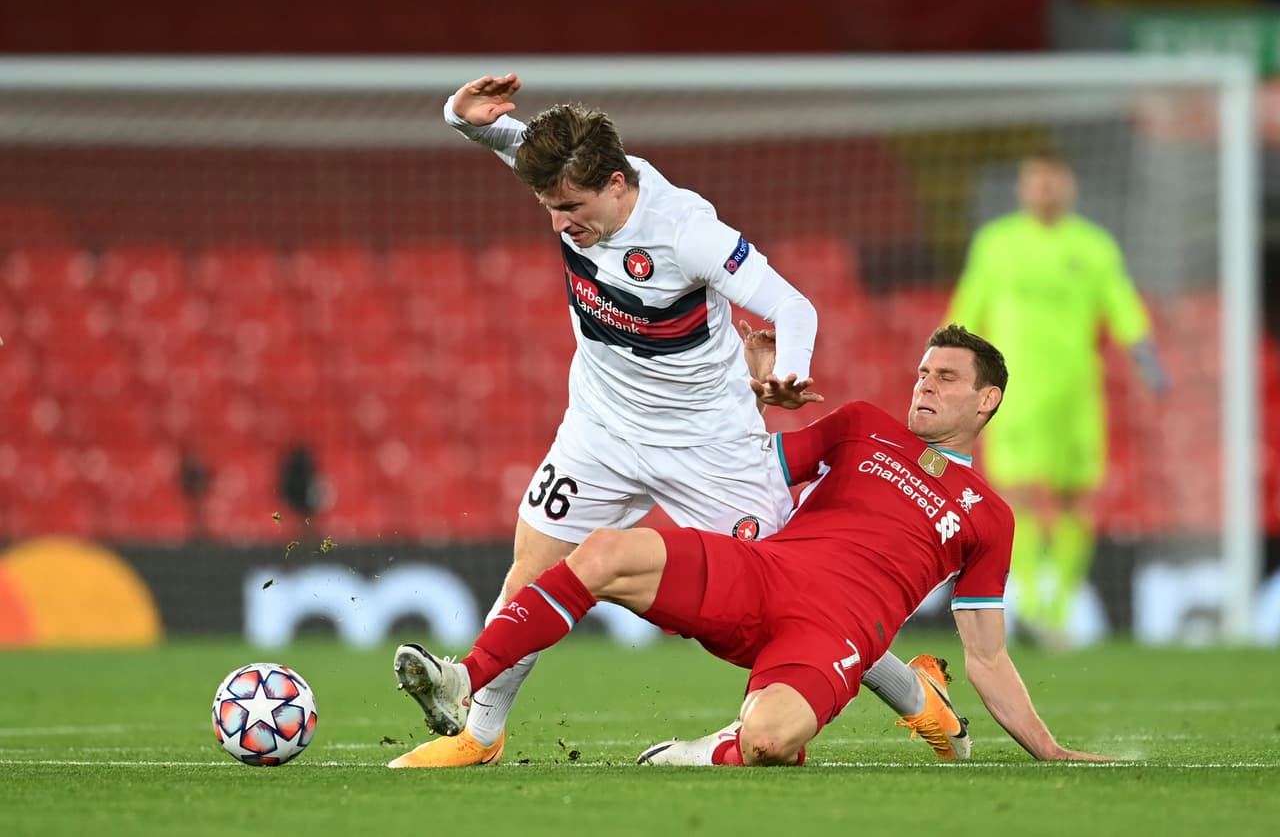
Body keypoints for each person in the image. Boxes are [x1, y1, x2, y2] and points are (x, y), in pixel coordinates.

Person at [390, 73, 965, 767]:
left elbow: (794, 308)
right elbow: (502, 138)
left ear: (616, 184)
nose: (559, 224)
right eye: (547, 207)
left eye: (570, 207)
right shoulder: (571, 187)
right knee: (530, 576)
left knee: (806, 604)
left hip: (709, 444)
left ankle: (918, 696)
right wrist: (460, 115)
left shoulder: (687, 231)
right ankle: (478, 735)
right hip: (600, 427)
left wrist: (790, 372)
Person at [392, 324, 1107, 765]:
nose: (924, 384)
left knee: (770, 740)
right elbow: (746, 463)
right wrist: (751, 389)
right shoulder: (860, 425)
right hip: (764, 572)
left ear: (986, 402)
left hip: (836, 631)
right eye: (922, 371)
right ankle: (466, 677)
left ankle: (707, 753)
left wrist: (1047, 746)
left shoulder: (990, 515)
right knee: (606, 549)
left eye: (946, 377)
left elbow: (986, 651)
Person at [946, 152, 1167, 649]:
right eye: (1035, 182)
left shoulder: (1093, 246)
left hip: (1076, 395)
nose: (1045, 190)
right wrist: (948, 364)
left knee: (1073, 498)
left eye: (1053, 181)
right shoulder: (996, 244)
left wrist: (1148, 362)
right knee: (1018, 494)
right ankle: (1033, 602)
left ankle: (1058, 610)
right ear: (1024, 188)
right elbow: (970, 305)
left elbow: (1123, 306)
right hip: (1014, 392)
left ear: (1069, 186)